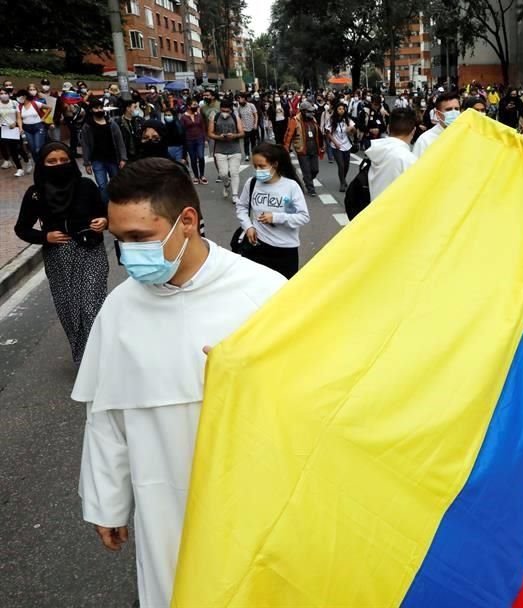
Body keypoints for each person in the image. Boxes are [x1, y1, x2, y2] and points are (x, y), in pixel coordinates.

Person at [72, 158, 286, 608]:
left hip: (254, 489)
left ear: (186, 221)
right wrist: (107, 501)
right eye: (119, 240)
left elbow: (314, 396)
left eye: (139, 238)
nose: (128, 254)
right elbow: (107, 415)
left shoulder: (264, 293)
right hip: (160, 493)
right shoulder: (119, 309)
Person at [14, 142, 108, 365]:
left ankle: (103, 358)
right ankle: (85, 360)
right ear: (42, 164)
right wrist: (44, 237)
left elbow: (106, 212)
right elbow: (22, 228)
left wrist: (104, 221)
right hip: (58, 257)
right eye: (52, 162)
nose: (59, 165)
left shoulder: (86, 186)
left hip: (90, 250)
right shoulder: (36, 194)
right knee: (69, 310)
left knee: (91, 304)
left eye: (64, 160)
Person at [237, 143, 310, 278]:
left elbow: (303, 216)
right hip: (257, 248)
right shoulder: (252, 183)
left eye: (262, 166)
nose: (258, 170)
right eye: (255, 166)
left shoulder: (290, 187)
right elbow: (241, 207)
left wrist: (276, 217)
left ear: (274, 165)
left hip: (285, 251)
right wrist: (248, 227)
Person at [81, 98, 127, 203]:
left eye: (101, 107)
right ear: (91, 110)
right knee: (102, 185)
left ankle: (118, 203)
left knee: (116, 183)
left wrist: (123, 158)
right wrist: (87, 163)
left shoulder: (111, 124)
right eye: (96, 108)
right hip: (97, 160)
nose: (99, 110)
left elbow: (120, 142)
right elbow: (85, 145)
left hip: (112, 158)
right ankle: (106, 207)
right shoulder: (87, 126)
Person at [367, 107, 418, 202]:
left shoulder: (377, 150)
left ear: (388, 127)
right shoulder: (409, 160)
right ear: (413, 130)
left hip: (374, 211)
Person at [284, 101, 325, 198]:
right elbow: (288, 135)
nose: (311, 113)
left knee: (315, 170)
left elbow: (318, 133)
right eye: (309, 111)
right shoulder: (295, 120)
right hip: (302, 150)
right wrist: (286, 149)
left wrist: (322, 146)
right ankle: (311, 188)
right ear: (302, 111)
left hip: (314, 149)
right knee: (306, 170)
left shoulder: (313, 119)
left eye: (311, 111)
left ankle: (307, 179)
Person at [208, 96, 244, 203]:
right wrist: (219, 137)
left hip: (235, 149)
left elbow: (242, 132)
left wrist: (234, 136)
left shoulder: (235, 116)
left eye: (227, 111)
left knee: (234, 172)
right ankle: (226, 183)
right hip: (220, 149)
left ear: (231, 110)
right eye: (222, 110)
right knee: (223, 173)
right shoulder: (214, 117)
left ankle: (235, 195)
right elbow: (210, 133)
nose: (224, 113)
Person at [412, 91, 460, 159]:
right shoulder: (425, 141)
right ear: (438, 114)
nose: (454, 112)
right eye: (449, 110)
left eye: (457, 109)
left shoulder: (466, 135)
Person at [325, 101, 357, 192]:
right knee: (341, 165)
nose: (341, 110)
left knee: (346, 165)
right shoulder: (331, 120)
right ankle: (342, 183)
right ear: (336, 110)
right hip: (337, 146)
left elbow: (354, 131)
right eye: (339, 109)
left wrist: (351, 129)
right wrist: (335, 143)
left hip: (347, 145)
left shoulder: (347, 120)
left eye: (343, 109)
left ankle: (343, 178)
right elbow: (328, 133)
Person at [20, 82, 49, 164]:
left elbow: (47, 111)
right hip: (27, 126)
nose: (32, 91)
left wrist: (46, 119)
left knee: (40, 146)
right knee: (33, 148)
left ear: (37, 90)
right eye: (30, 90)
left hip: (40, 125)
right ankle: (38, 164)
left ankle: (44, 162)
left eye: (34, 89)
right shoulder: (23, 102)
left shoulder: (41, 99)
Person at [181, 98, 207, 184]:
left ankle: (202, 175)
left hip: (199, 139)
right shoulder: (184, 117)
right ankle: (196, 176)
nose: (196, 106)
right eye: (194, 105)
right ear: (188, 106)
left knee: (201, 156)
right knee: (193, 158)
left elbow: (203, 127)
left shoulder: (199, 115)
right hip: (189, 140)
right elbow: (182, 130)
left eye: (196, 104)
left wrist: (205, 138)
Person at [0, 86, 24, 176]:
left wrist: (19, 126)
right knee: (5, 147)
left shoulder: (14, 103)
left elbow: (18, 117)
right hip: (2, 129)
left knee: (15, 149)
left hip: (13, 129)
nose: (3, 95)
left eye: (5, 93)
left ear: (8, 94)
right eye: (1, 93)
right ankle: (11, 163)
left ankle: (20, 168)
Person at [236, 92, 259, 161]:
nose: (239, 100)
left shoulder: (251, 105)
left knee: (253, 141)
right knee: (246, 142)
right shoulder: (239, 107)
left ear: (244, 99)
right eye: (238, 99)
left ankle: (254, 153)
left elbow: (256, 115)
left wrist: (255, 124)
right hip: (244, 128)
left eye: (240, 98)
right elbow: (239, 117)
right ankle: (247, 154)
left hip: (252, 126)